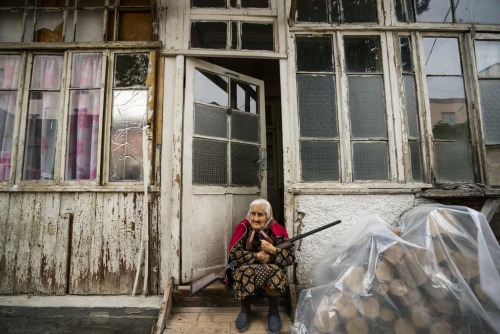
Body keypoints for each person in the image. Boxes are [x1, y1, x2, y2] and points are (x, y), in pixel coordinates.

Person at [225, 198, 295, 333]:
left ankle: (273, 312)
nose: (255, 219)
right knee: (244, 270)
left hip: (270, 270)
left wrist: (273, 250)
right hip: (248, 270)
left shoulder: (277, 230)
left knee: (275, 271)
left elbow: (290, 258)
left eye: (260, 215)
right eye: (253, 214)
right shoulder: (244, 229)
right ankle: (245, 311)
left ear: (268, 216)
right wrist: (256, 256)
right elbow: (234, 254)